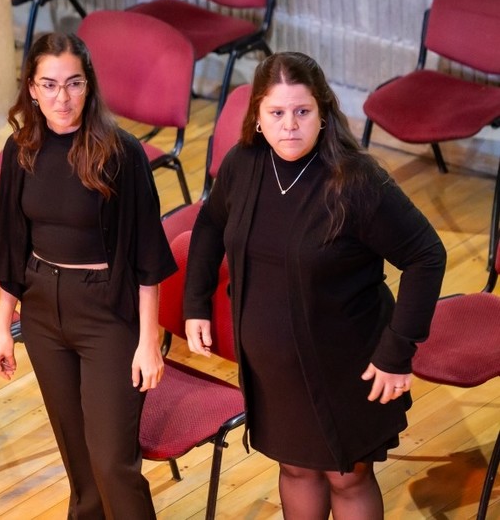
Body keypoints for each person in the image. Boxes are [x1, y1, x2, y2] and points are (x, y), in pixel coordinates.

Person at [183, 51, 446, 519]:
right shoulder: (244, 165)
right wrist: (196, 303)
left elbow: (426, 255)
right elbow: (209, 225)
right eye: (277, 113)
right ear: (258, 118)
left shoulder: (355, 181)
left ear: (323, 114)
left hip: (346, 365)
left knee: (348, 476)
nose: (290, 125)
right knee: (297, 469)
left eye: (302, 112)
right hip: (272, 370)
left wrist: (397, 351)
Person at [0, 32, 177, 519]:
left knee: (113, 461)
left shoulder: (121, 152)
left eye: (73, 84)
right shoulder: (21, 150)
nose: (62, 98)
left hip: (106, 312)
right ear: (31, 88)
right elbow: (11, 246)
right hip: (43, 309)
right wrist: (2, 331)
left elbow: (147, 254)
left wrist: (148, 340)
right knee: (78, 461)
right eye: (49, 85)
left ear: (89, 85)